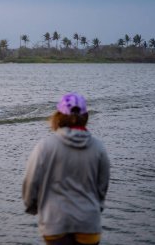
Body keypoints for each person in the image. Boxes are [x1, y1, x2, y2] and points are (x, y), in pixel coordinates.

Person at [22, 93, 110, 245]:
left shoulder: (45, 146)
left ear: (58, 115)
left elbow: (31, 182)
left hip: (54, 223)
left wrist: (34, 208)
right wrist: (95, 208)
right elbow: (102, 187)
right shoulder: (99, 148)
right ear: (86, 116)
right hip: (89, 223)